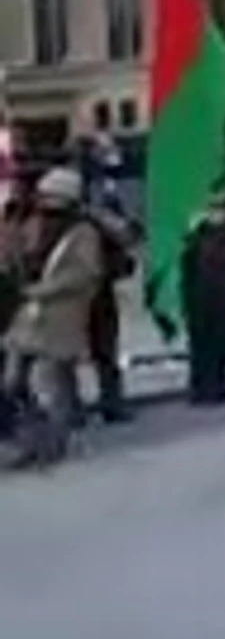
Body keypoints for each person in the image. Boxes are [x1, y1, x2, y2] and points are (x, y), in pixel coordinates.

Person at [4, 169, 105, 469]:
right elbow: (20, 256)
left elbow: (85, 273)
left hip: (59, 318)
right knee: (14, 383)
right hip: (28, 318)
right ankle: (31, 443)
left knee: (49, 385)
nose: (44, 201)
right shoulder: (35, 226)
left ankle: (50, 445)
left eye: (50, 196)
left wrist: (44, 289)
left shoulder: (83, 233)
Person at [183, 198, 225, 405]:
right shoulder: (197, 239)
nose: (217, 216)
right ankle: (202, 388)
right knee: (203, 345)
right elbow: (189, 271)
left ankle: (221, 384)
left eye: (221, 211)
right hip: (202, 301)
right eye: (213, 210)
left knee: (224, 345)